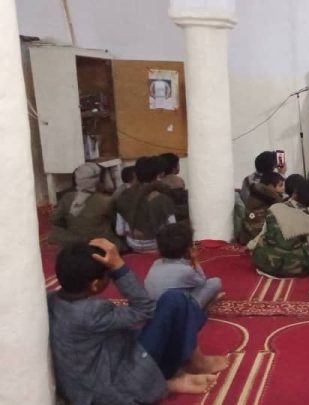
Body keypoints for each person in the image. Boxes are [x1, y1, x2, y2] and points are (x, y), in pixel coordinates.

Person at [48, 239, 228, 405]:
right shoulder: (91, 312)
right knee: (174, 301)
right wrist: (119, 267)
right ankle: (186, 368)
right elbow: (145, 309)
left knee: (173, 308)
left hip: (92, 382)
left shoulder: (53, 301)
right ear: (95, 285)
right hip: (117, 388)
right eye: (108, 275)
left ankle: (178, 369)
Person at [250, 180, 309, 278]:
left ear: (294, 194)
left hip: (264, 264)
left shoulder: (275, 208)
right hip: (292, 269)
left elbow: (263, 233)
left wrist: (251, 246)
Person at [144, 223, 223, 309]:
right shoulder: (185, 270)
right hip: (176, 312)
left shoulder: (156, 263)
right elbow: (202, 281)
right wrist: (194, 259)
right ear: (188, 249)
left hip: (153, 309)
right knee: (215, 282)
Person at [49, 162, 122, 248]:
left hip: (74, 242)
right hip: (100, 244)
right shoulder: (106, 201)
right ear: (98, 182)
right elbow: (117, 225)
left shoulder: (67, 197)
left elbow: (55, 219)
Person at [115, 156, 177, 253]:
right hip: (156, 244)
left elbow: (120, 231)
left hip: (132, 243)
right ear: (159, 175)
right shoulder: (162, 199)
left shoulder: (124, 196)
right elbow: (173, 229)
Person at [237, 171, 284, 245]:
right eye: (280, 185)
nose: (283, 188)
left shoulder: (257, 196)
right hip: (255, 243)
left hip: (247, 239)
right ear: (270, 186)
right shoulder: (270, 201)